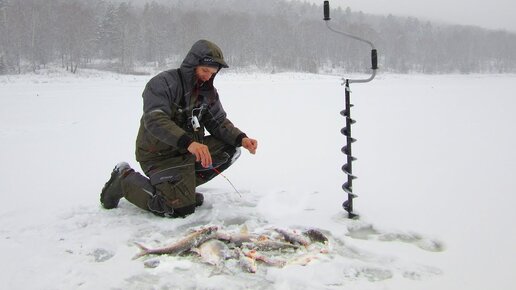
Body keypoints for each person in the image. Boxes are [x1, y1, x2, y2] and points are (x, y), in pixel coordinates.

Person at [99, 40, 258, 218]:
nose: (208, 76)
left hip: (187, 151)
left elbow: (218, 121)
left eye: (212, 73)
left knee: (231, 148)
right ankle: (124, 179)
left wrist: (241, 138)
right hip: (159, 156)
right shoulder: (163, 83)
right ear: (193, 64)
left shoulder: (208, 93)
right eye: (205, 70)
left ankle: (182, 190)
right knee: (177, 209)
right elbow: (155, 119)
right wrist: (189, 143)